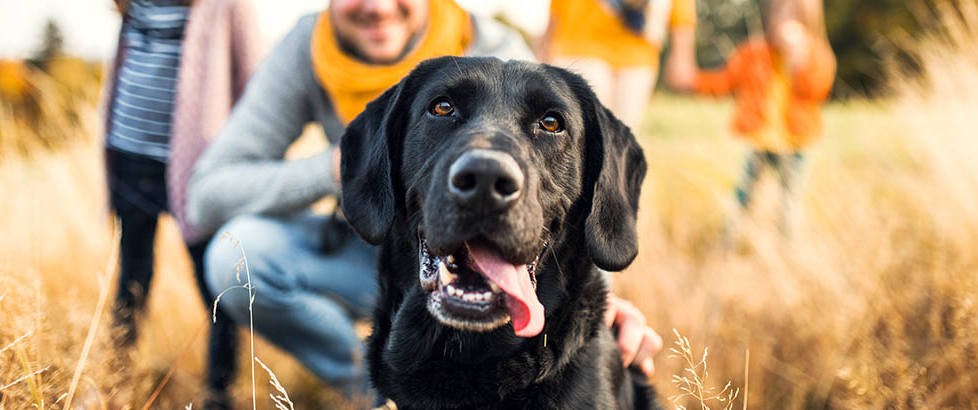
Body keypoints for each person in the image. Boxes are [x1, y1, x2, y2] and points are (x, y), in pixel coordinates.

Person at [188, 0, 664, 403]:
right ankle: (379, 391)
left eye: (548, 123)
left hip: (516, 261)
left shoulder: (498, 48)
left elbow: (567, 188)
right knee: (237, 253)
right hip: (385, 244)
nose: (377, 7)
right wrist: (338, 169)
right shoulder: (309, 48)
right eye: (442, 109)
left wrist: (601, 301)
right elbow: (206, 196)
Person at [98, 0, 262, 406]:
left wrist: (242, 163)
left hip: (198, 170)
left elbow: (258, 83)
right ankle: (116, 385)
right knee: (132, 279)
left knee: (219, 286)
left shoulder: (226, 6)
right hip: (130, 154)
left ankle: (219, 393)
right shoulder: (134, 5)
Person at [686, 0, 835, 234]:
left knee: (789, 200)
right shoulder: (754, 53)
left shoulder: (816, 54)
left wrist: (800, 61)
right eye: (780, 13)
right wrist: (692, 81)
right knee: (743, 195)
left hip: (795, 143)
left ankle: (787, 245)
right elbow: (725, 81)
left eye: (794, 15)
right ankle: (728, 239)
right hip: (761, 139)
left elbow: (818, 90)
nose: (785, 21)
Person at [542, 0, 698, 128]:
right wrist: (544, 47)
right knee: (588, 130)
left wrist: (682, 55)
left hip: (638, 52)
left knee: (623, 134)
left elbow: (681, 8)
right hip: (581, 45)